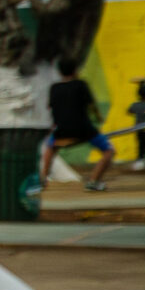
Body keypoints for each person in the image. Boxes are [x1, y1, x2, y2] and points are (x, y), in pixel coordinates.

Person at [45, 58, 115, 192]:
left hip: (62, 129)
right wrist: (99, 118)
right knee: (109, 151)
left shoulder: (54, 87)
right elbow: (91, 105)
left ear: (59, 71)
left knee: (50, 148)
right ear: (75, 70)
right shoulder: (80, 84)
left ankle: (42, 180)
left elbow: (51, 107)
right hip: (83, 129)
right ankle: (94, 181)